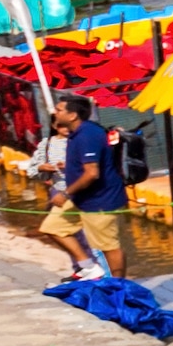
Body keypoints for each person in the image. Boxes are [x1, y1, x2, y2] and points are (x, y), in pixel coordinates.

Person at [43, 101, 128, 278]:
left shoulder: (88, 135)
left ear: (72, 115)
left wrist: (66, 193)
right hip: (80, 198)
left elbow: (92, 173)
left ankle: (118, 286)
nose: (54, 112)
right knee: (52, 227)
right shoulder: (77, 133)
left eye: (59, 110)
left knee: (108, 246)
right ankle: (88, 266)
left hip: (99, 201)